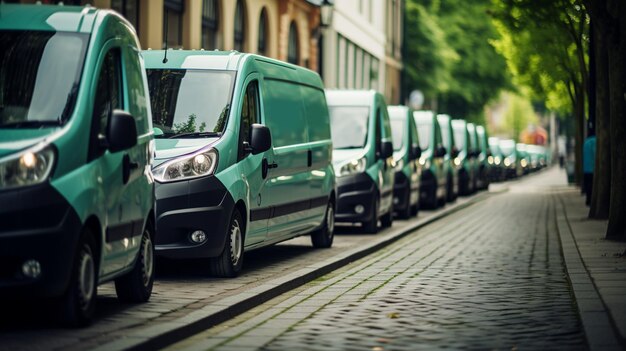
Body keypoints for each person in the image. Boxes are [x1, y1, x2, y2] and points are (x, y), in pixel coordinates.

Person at [582, 130, 596, 206]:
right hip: (592, 168)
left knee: (588, 185)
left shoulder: (586, 142)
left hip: (586, 168)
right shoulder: (595, 141)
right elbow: (595, 154)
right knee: (592, 185)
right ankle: (591, 200)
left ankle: (588, 200)